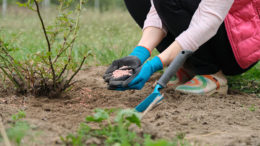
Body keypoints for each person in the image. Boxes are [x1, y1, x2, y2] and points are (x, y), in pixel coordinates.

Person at [103, 0, 260, 95]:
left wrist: (154, 64)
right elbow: (157, 10)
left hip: (236, 44)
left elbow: (208, 20)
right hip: (212, 28)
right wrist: (138, 55)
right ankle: (186, 65)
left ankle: (210, 73)